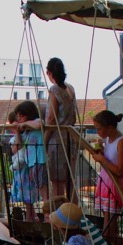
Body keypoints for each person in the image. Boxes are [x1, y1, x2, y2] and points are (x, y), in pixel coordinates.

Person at [90, 110, 123, 245]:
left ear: (109, 127)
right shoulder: (108, 140)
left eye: (99, 128)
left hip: (114, 186)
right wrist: (101, 152)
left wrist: (102, 159)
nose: (98, 131)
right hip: (106, 183)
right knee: (112, 231)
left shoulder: (122, 142)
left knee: (109, 232)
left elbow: (119, 170)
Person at [43, 57, 78, 201]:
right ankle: (73, 212)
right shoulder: (70, 88)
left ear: (49, 73)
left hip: (57, 140)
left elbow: (51, 118)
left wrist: (44, 141)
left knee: (57, 182)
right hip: (70, 137)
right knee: (69, 180)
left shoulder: (54, 90)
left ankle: (61, 215)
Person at [9, 101, 47, 219]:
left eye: (22, 116)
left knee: (43, 192)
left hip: (38, 160)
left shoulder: (35, 123)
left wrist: (24, 124)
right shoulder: (27, 131)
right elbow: (18, 147)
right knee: (40, 190)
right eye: (18, 116)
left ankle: (48, 217)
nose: (19, 119)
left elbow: (39, 124)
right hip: (32, 162)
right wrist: (18, 131)